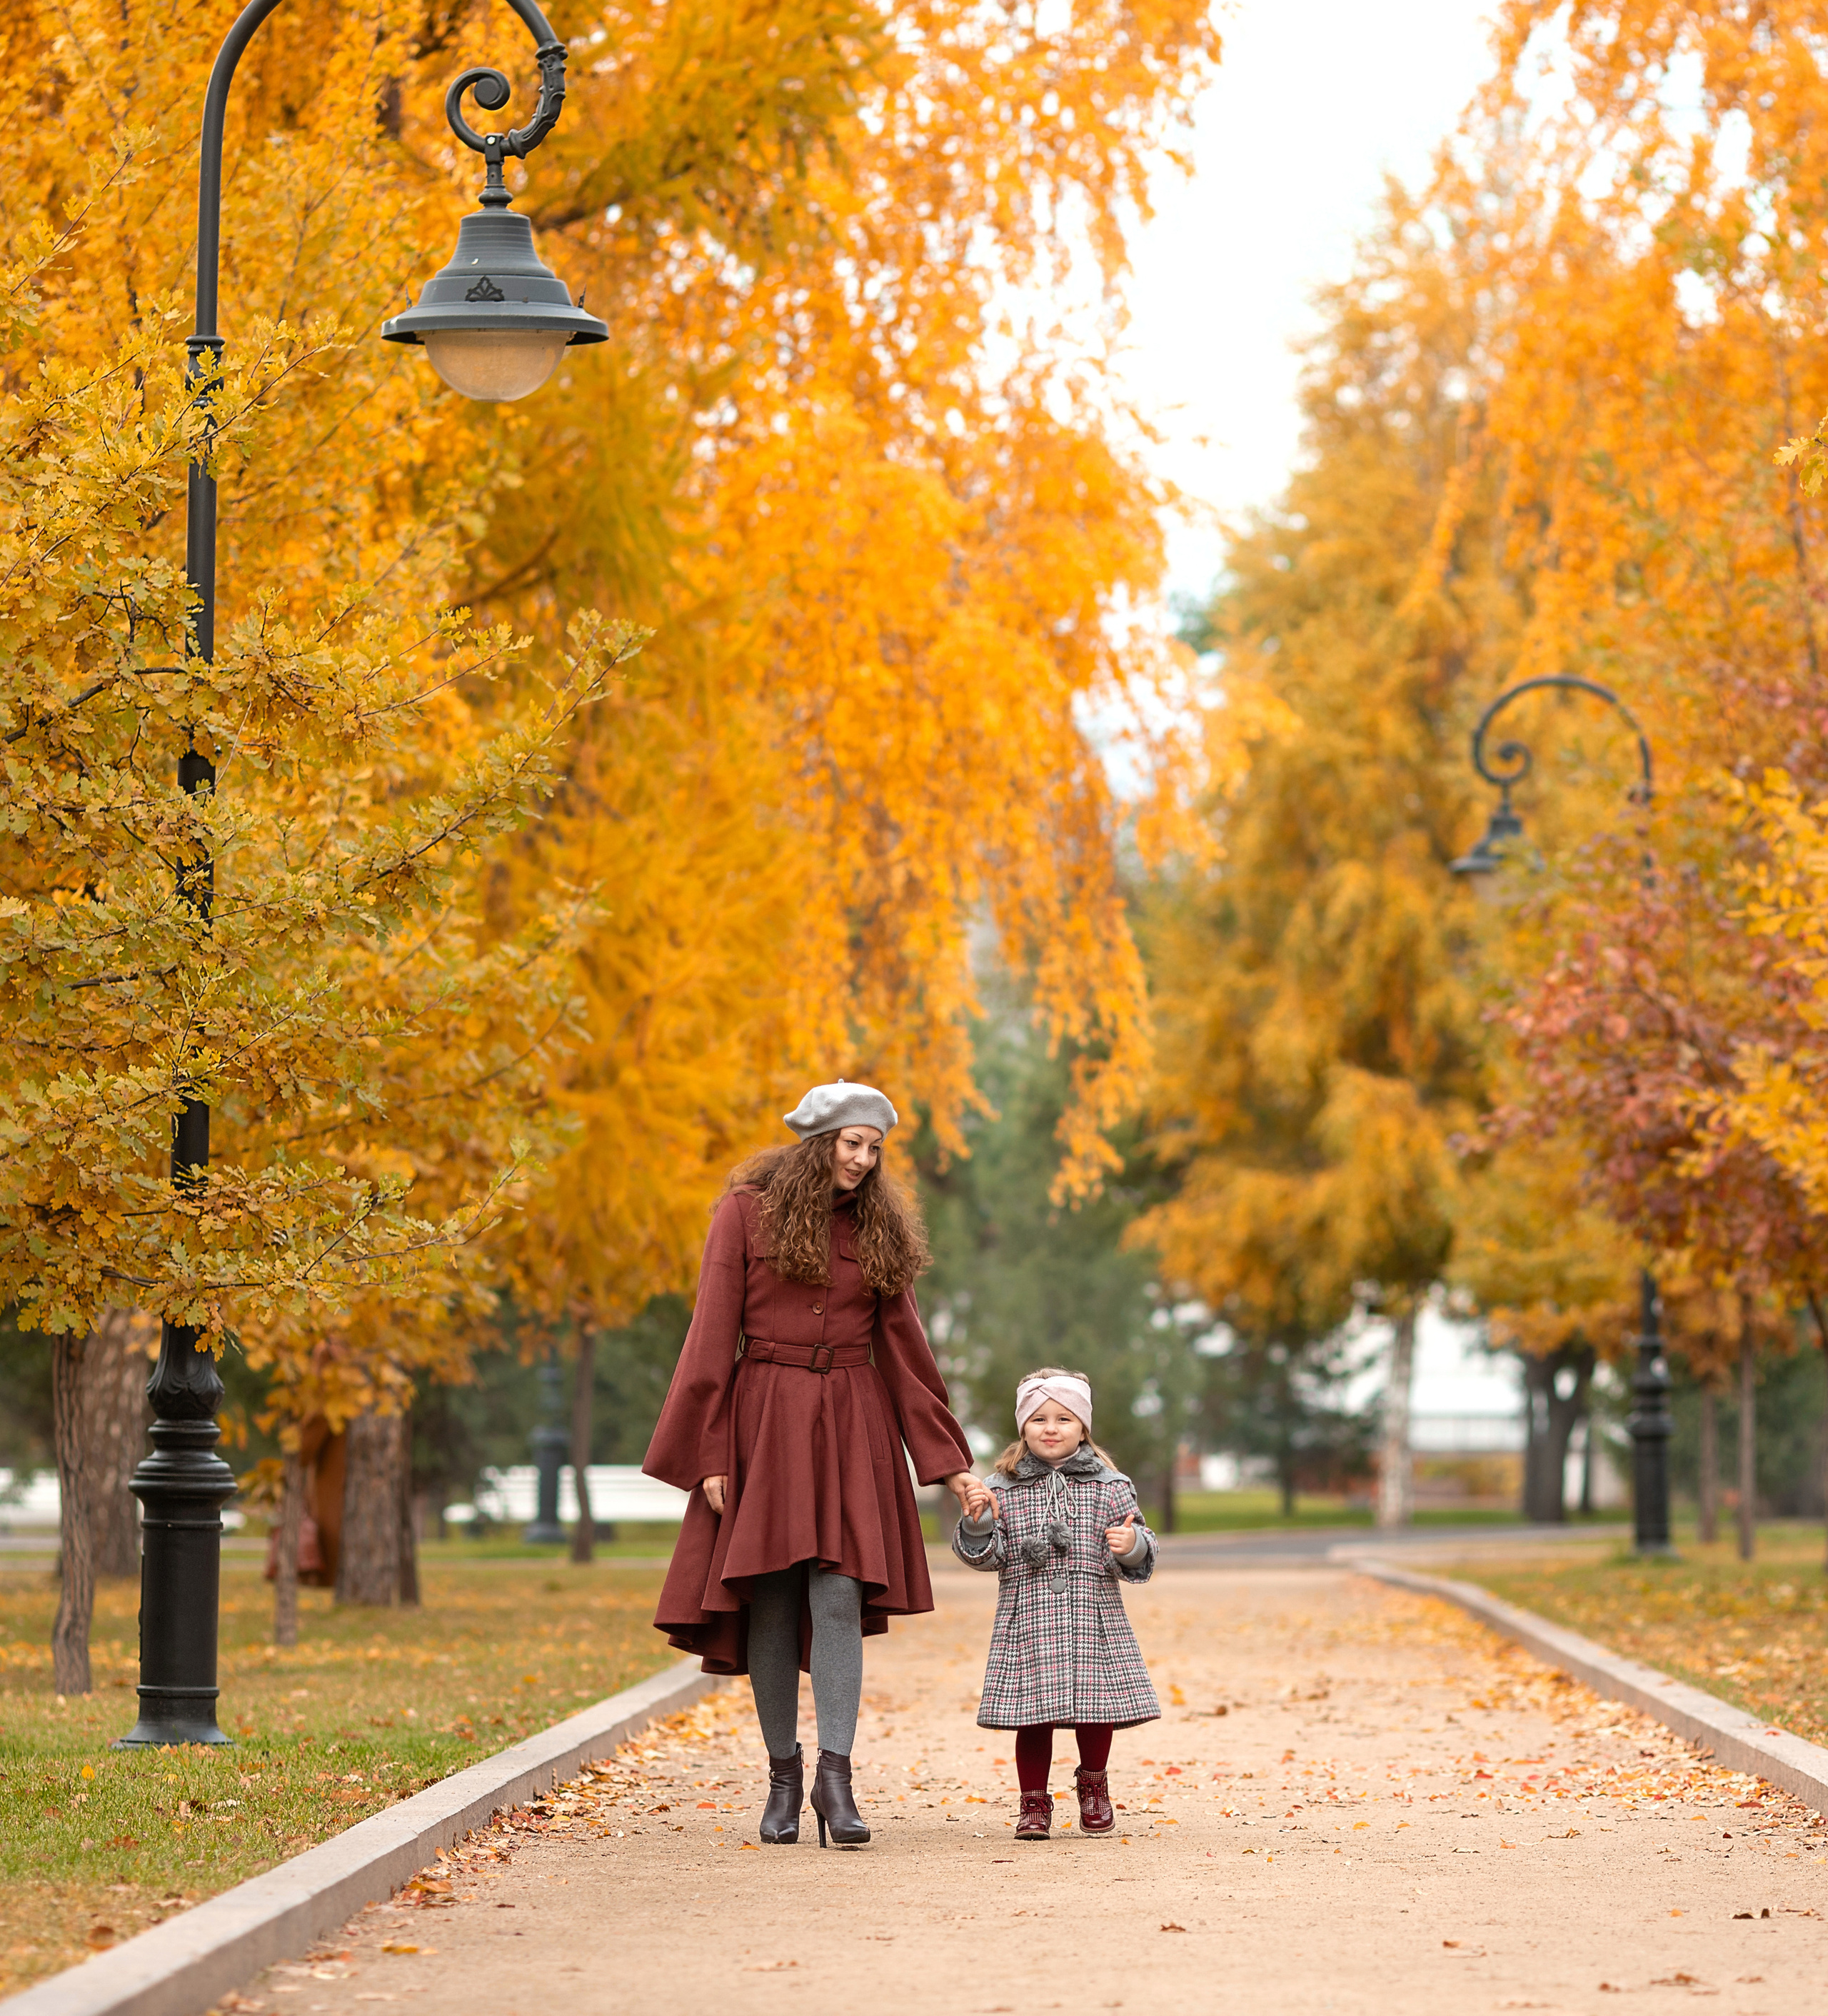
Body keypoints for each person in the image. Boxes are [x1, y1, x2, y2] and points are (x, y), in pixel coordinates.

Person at [643, 1079, 982, 1849]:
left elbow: (905, 1354)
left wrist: (948, 1466)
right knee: (767, 1599)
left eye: (874, 1148)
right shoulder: (743, 1213)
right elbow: (710, 1338)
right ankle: (783, 1776)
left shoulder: (878, 1230)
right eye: (850, 1144)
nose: (863, 1161)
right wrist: (708, 1455)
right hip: (761, 1421)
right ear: (816, 1144)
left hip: (852, 1424)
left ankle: (837, 1776)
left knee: (836, 1595)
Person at [951, 1366, 1160, 1841]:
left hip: (1093, 1617)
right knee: (1034, 1714)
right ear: (1023, 1426)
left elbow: (1142, 1547)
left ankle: (1094, 1784)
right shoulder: (1000, 1486)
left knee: (1095, 1708)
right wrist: (980, 1525)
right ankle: (1033, 1801)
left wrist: (1131, 1543)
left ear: (1083, 1426)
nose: (1050, 1427)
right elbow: (988, 1556)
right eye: (1039, 1418)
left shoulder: (1111, 1485)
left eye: (1064, 1418)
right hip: (1030, 1618)